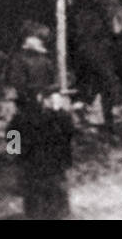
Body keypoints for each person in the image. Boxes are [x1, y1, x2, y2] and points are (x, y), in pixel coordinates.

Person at [7, 89, 74, 219]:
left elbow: (12, 150)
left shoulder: (16, 122)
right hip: (55, 168)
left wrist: (18, 164)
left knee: (35, 209)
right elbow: (69, 133)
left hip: (32, 171)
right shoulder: (55, 116)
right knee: (58, 208)